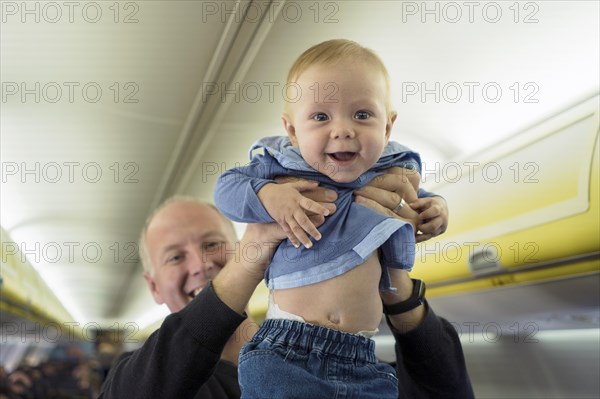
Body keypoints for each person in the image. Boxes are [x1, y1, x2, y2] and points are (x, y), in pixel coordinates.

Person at [213, 39, 465, 398]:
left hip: (362, 358)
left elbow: (423, 202)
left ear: (388, 127)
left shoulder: (392, 175)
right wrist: (269, 196)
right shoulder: (281, 167)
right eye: (320, 117)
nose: (343, 129)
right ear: (292, 131)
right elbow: (226, 189)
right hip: (287, 352)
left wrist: (437, 208)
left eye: (362, 115)